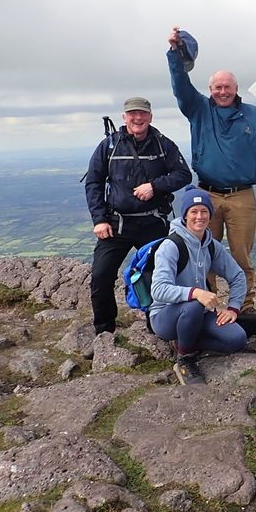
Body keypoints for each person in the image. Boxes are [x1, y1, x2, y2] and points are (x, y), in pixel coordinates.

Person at [167, 27, 256, 311]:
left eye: (228, 87)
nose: (223, 91)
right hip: (207, 195)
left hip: (242, 195)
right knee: (202, 254)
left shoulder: (253, 115)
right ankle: (209, 306)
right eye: (218, 87)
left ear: (236, 89)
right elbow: (180, 85)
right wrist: (175, 54)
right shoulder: (198, 109)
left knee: (242, 255)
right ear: (210, 90)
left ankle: (246, 305)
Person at [84, 97, 192, 335]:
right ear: (125, 117)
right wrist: (99, 219)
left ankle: (158, 326)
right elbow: (93, 182)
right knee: (101, 277)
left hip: (152, 222)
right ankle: (104, 332)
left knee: (159, 276)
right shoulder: (109, 146)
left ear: (150, 117)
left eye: (142, 114)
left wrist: (155, 186)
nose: (138, 118)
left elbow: (184, 174)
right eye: (132, 114)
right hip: (116, 224)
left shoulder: (163, 145)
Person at [149, 188, 248, 385]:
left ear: (210, 214)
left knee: (237, 339)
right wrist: (195, 292)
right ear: (185, 215)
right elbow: (158, 289)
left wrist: (233, 308)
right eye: (193, 212)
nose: (199, 216)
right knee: (194, 303)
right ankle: (184, 359)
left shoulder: (211, 245)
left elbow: (237, 276)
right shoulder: (171, 246)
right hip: (164, 316)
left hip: (198, 314)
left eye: (204, 211)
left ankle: (185, 339)